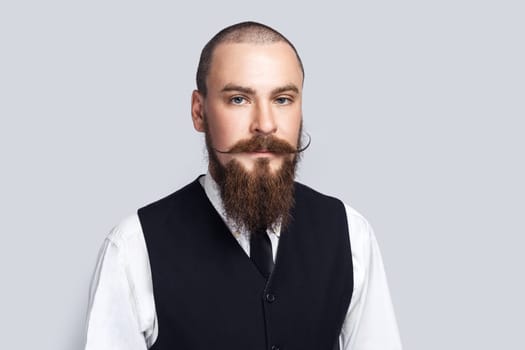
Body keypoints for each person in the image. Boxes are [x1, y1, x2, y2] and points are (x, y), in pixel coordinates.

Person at [84, 21, 402, 350]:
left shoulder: (351, 234)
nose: (264, 124)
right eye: (239, 99)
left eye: (282, 99)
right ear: (199, 112)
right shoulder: (133, 248)